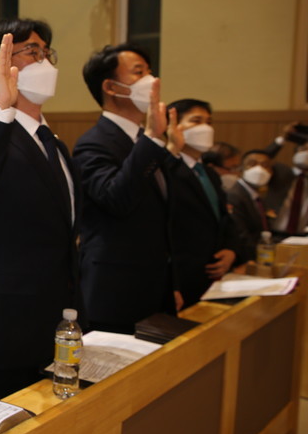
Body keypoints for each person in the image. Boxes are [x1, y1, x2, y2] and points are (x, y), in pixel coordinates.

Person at [0, 19, 78, 400]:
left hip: (57, 318)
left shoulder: (51, 140)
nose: (46, 62)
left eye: (47, 52)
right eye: (33, 52)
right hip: (6, 326)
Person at [73, 44, 175, 332]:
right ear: (111, 87)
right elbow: (117, 199)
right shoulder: (93, 143)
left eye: (151, 72)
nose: (151, 81)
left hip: (154, 287)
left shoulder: (146, 140)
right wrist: (154, 138)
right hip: (114, 292)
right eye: (139, 73)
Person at [165, 99, 240, 305]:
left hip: (212, 275)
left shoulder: (209, 173)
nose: (205, 128)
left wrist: (231, 250)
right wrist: (170, 285)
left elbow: (224, 217)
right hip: (180, 278)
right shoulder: (165, 170)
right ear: (173, 126)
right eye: (196, 121)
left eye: (209, 122)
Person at [226, 150, 279, 263]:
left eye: (265, 165)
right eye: (252, 163)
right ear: (240, 169)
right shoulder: (234, 196)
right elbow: (241, 236)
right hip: (244, 261)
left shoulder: (258, 196)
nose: (259, 170)